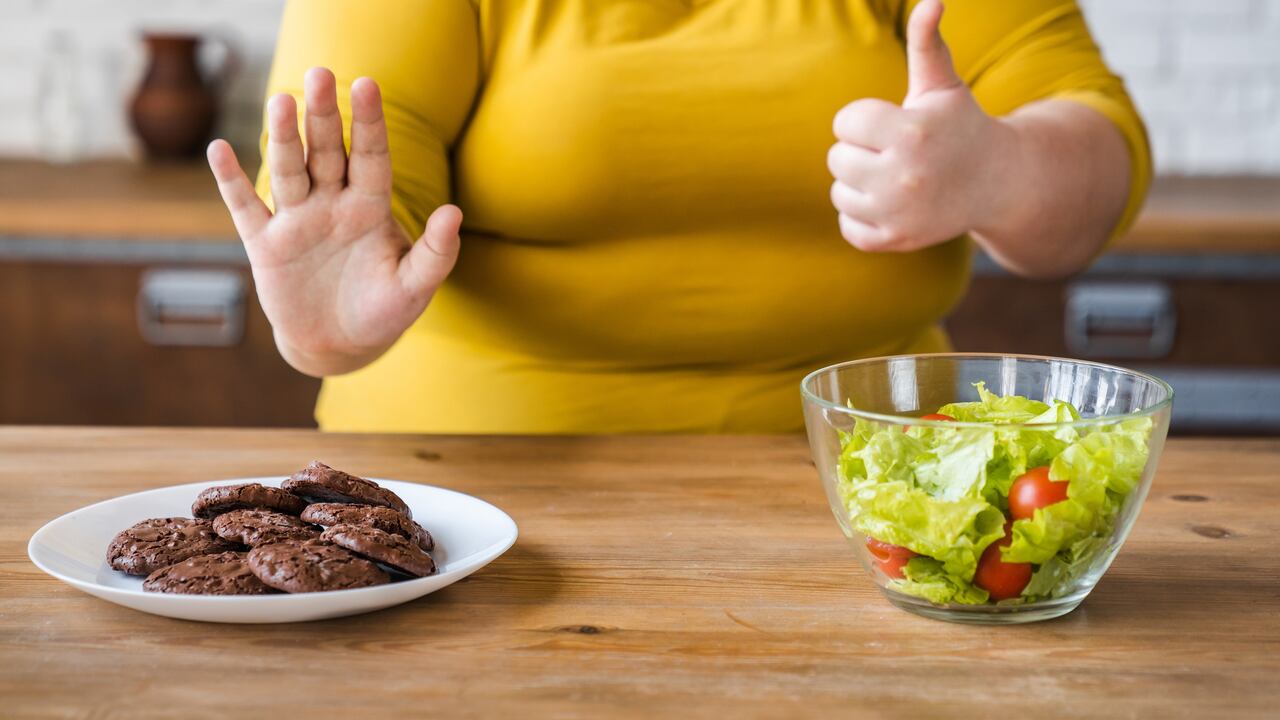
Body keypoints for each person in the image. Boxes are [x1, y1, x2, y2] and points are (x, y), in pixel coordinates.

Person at [208, 0, 1149, 434]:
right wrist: (339, 304)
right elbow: (380, 141)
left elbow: (1094, 144)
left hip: (869, 494)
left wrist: (999, 171)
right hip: (469, 502)